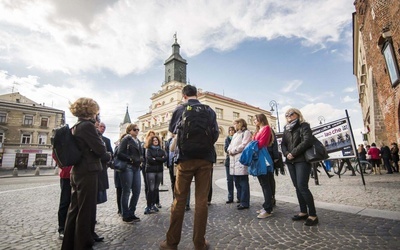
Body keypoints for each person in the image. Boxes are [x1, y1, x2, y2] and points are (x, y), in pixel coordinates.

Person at [159, 85, 219, 250]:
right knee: (201, 201)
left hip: (185, 158)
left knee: (179, 200)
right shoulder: (209, 110)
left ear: (183, 95)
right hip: (205, 159)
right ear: (197, 94)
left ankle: (171, 243)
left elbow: (172, 130)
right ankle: (199, 243)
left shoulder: (180, 108)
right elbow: (215, 133)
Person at [61, 97, 107, 250]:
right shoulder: (87, 126)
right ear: (91, 111)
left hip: (78, 171)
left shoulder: (77, 125)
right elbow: (100, 149)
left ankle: (69, 244)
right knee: (86, 211)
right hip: (87, 170)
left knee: (75, 209)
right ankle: (83, 244)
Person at [281, 108, 318, 226]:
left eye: (291, 114)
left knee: (302, 186)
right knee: (297, 187)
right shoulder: (286, 129)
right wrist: (287, 154)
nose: (289, 116)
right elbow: (283, 144)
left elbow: (307, 141)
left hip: (301, 160)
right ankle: (303, 211)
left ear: (298, 114)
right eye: (287, 115)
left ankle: (313, 214)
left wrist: (294, 153)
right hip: (290, 161)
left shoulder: (304, 126)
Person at [117, 124, 143, 223]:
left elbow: (140, 153)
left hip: (136, 167)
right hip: (128, 167)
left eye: (138, 129)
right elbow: (120, 153)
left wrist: (141, 160)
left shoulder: (138, 141)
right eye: (135, 129)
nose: (137, 131)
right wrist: (130, 159)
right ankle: (125, 214)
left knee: (137, 190)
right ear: (129, 130)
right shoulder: (126, 139)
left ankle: (132, 212)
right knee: (126, 191)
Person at [92, 121, 113, 242]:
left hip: (101, 170)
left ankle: (91, 225)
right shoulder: (93, 136)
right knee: (91, 200)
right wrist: (107, 156)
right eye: (101, 126)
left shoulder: (106, 139)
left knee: (96, 199)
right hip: (94, 171)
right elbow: (103, 154)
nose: (103, 128)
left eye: (104, 127)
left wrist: (108, 156)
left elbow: (110, 153)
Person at [227, 118, 252, 210]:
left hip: (241, 160)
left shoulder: (246, 133)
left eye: (235, 124)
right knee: (237, 182)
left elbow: (245, 144)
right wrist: (229, 150)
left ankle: (245, 202)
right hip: (233, 161)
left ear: (239, 124)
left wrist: (234, 150)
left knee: (243, 182)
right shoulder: (235, 134)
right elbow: (231, 144)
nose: (234, 126)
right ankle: (241, 200)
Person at [253, 113, 274, 219]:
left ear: (261, 119)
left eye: (255, 119)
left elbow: (260, 143)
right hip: (258, 157)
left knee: (266, 184)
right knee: (263, 183)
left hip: (263, 157)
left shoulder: (266, 128)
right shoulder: (258, 130)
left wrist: (252, 145)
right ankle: (266, 205)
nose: (254, 121)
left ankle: (268, 209)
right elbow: (254, 142)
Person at [144, 135, 167, 214]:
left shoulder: (161, 150)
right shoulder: (149, 150)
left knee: (156, 189)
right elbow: (150, 159)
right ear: (151, 141)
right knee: (151, 189)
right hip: (151, 171)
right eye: (154, 140)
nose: (155, 141)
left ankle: (153, 204)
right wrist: (159, 158)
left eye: (156, 140)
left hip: (159, 171)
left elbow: (165, 159)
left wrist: (156, 158)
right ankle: (148, 206)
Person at [56, 163, 72, 240]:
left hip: (80, 174)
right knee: (65, 202)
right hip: (67, 176)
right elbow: (55, 154)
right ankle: (62, 228)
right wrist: (63, 165)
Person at [224, 126, 239, 204]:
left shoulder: (237, 138)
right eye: (230, 130)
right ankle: (230, 197)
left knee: (236, 179)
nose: (231, 132)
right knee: (229, 180)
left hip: (236, 161)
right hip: (228, 161)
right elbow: (226, 149)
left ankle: (239, 197)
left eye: (233, 130)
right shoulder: (227, 139)